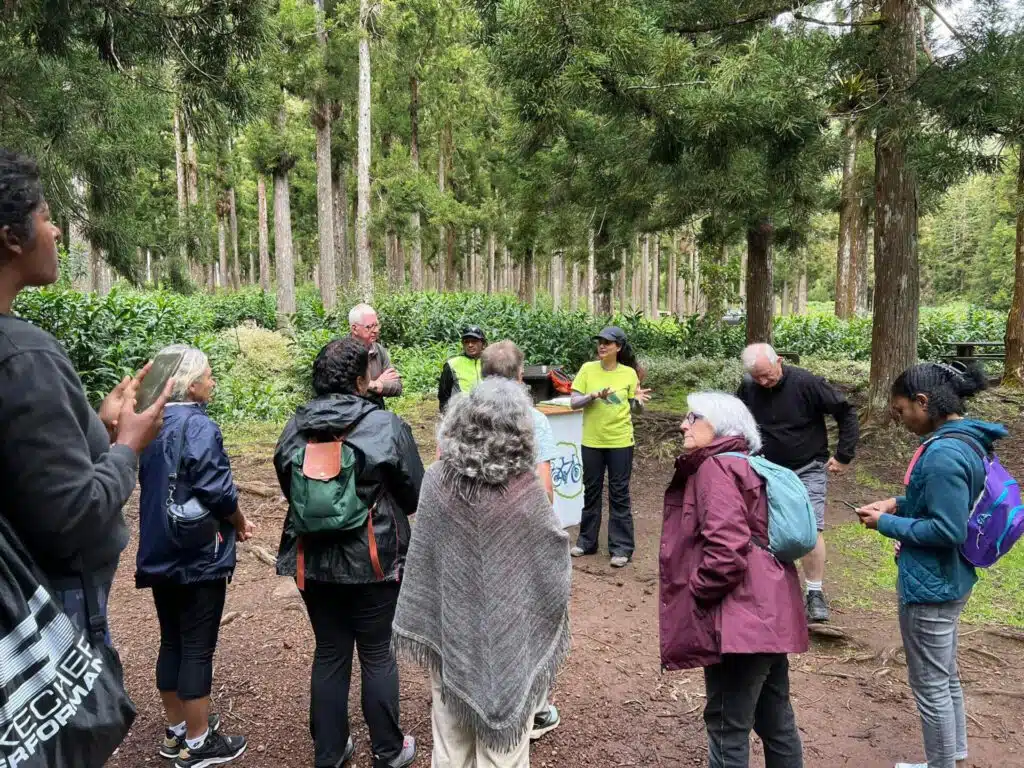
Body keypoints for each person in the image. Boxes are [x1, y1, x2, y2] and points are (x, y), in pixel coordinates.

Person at [0, 148, 170, 639]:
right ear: (12, 238)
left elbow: (29, 469)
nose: (55, 233)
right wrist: (127, 447)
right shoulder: (25, 356)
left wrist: (96, 424)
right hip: (52, 599)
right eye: (46, 218)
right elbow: (75, 514)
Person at [393, 378, 572, 768]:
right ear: (518, 431)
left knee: (451, 743)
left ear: (460, 422)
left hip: (452, 632)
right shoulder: (525, 489)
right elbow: (554, 552)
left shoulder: (437, 480)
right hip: (504, 632)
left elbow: (423, 558)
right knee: (503, 756)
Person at [274, 336, 423, 768]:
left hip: (312, 561)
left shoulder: (293, 428)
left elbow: (290, 487)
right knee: (377, 651)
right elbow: (412, 495)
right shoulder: (386, 427)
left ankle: (330, 752)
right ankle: (389, 752)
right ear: (363, 380)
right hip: (374, 560)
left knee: (330, 651)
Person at [856, 363, 1000, 768]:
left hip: (932, 585)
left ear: (923, 402)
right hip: (950, 578)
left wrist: (886, 523)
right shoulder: (966, 439)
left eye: (901, 411)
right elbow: (938, 500)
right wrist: (895, 503)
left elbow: (947, 528)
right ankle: (950, 757)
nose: (900, 420)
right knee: (945, 675)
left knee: (931, 685)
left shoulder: (942, 453)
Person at [660, 392, 806, 768]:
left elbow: (726, 550)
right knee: (775, 719)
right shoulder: (748, 464)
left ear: (720, 425)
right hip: (770, 609)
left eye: (693, 417)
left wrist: (698, 592)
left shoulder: (715, 469)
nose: (683, 425)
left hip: (740, 619)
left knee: (727, 724)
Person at [137, 345, 254, 767]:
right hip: (197, 550)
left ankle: (176, 731)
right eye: (208, 374)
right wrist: (239, 521)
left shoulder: (152, 420)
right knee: (197, 646)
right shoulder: (199, 426)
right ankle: (200, 743)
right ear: (190, 383)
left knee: (171, 638)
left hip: (159, 545)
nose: (213, 381)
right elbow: (217, 490)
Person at [737, 343, 859, 623]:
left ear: (779, 361)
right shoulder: (748, 387)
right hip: (764, 469)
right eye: (757, 378)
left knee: (809, 528)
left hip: (807, 468)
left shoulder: (807, 383)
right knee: (761, 527)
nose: (763, 382)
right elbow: (738, 421)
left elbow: (845, 412)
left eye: (768, 375)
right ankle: (769, 589)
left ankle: (814, 593)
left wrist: (844, 455)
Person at [480, 339, 562, 740]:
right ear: (518, 377)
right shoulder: (534, 420)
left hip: (476, 536)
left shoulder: (463, 417)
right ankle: (535, 709)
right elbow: (544, 489)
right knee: (532, 618)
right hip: (522, 534)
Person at [569, 326, 651, 567]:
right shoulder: (587, 369)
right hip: (592, 441)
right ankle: (586, 542)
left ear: (618, 347)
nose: (602, 346)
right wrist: (593, 395)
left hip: (620, 441)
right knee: (591, 491)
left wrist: (637, 401)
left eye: (607, 342)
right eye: (600, 342)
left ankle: (621, 548)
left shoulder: (629, 374)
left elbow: (637, 409)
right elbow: (574, 402)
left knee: (619, 493)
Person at [348, 302, 402, 409]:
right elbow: (347, 391)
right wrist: (377, 383)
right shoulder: (342, 352)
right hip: (351, 413)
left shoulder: (379, 350)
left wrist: (373, 385)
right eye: (369, 327)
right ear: (354, 329)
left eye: (376, 325)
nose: (376, 330)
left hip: (376, 412)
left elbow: (397, 387)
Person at [438, 325, 487, 412]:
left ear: (483, 344)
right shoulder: (452, 364)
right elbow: (444, 395)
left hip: (487, 412)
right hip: (461, 415)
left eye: (474, 341)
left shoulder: (490, 362)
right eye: (466, 342)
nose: (470, 345)